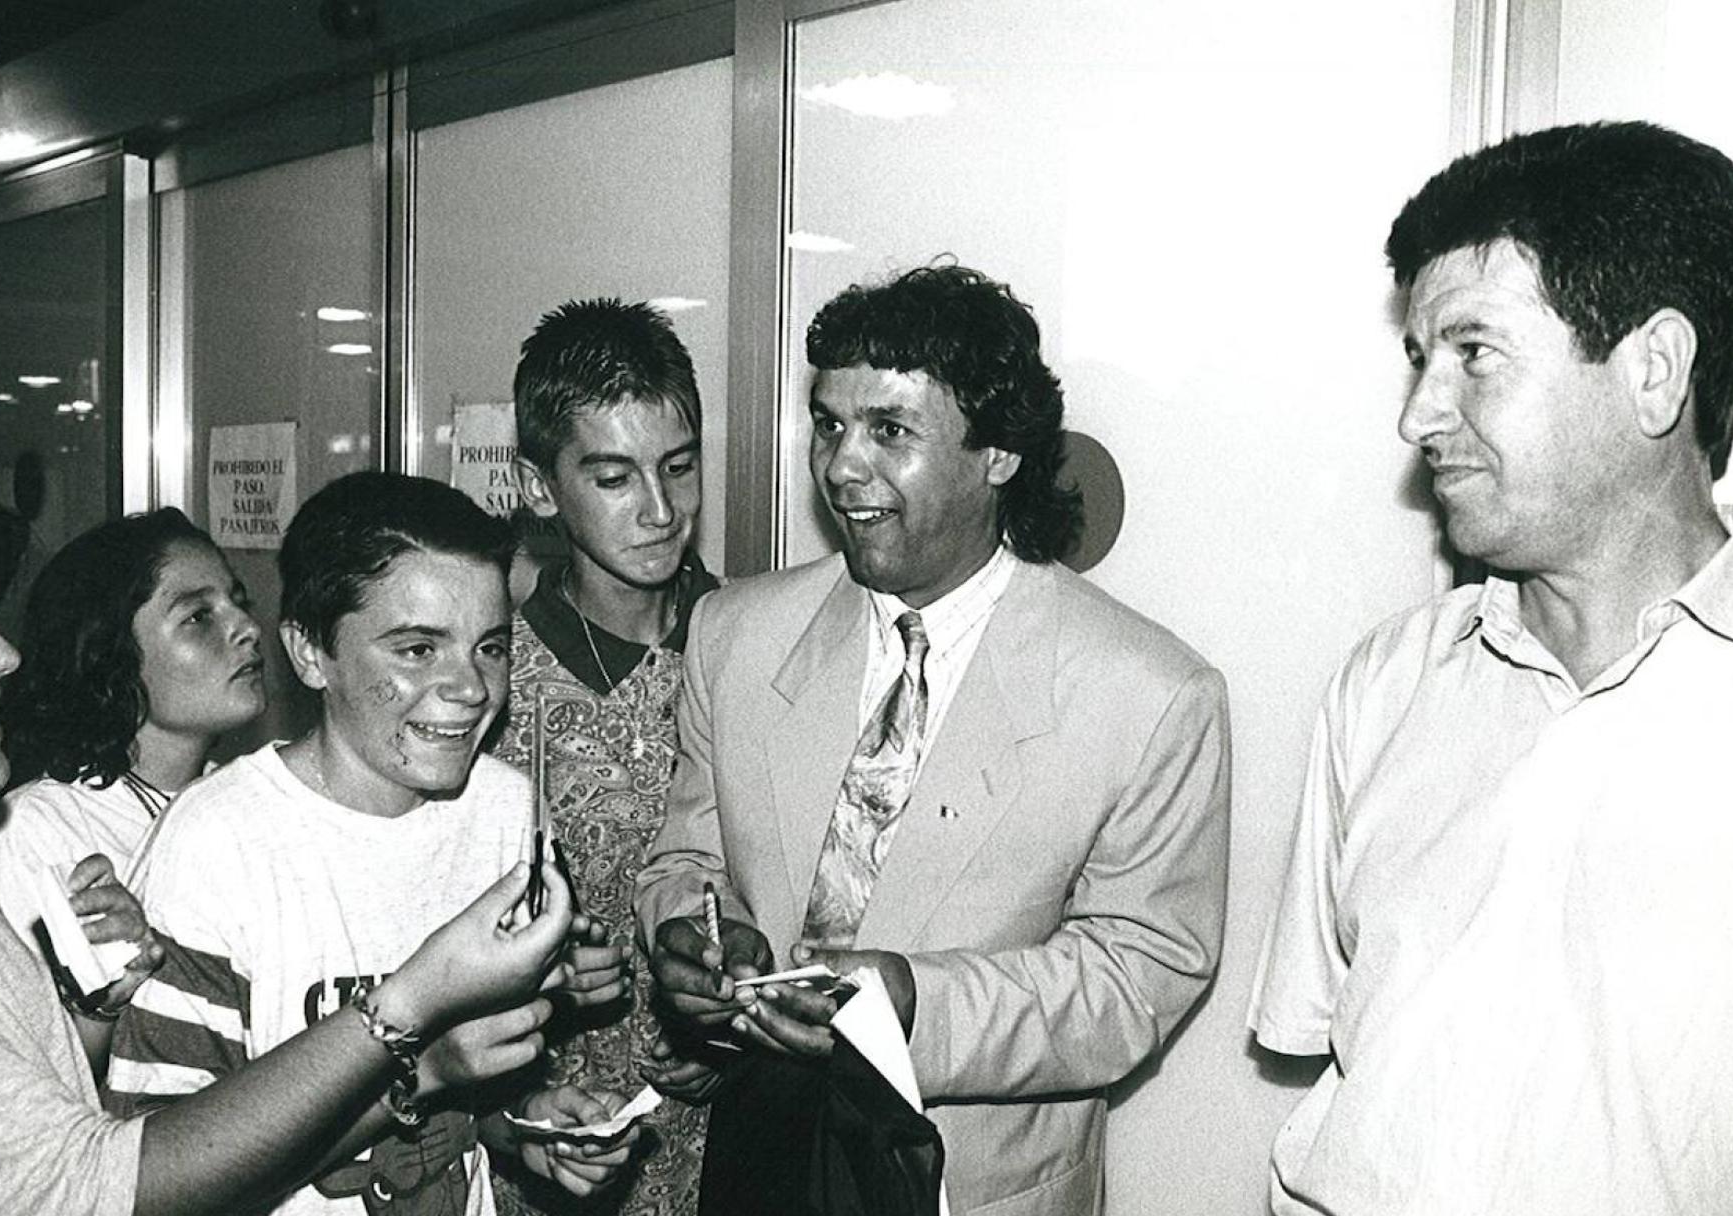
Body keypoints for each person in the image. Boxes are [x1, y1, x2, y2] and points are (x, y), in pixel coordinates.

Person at [1248, 121, 1733, 1214]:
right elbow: (1324, 1050)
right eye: (1419, 360)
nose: (1418, 415)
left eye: (1473, 354)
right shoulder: (1387, 684)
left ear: (1654, 371)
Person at [637, 264, 1232, 1214]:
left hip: (973, 1179)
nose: (841, 466)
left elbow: (1138, 977)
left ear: (997, 453)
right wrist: (693, 934)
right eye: (829, 424)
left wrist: (913, 1000)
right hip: (758, 1151)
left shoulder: (1150, 694)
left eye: (890, 431)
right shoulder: (735, 635)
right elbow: (688, 853)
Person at [0, 465, 574, 1216]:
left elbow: (41, 1122)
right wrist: (409, 1026)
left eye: (490, 647)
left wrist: (91, 1012)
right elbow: (109, 1181)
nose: (3, 654)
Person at [108, 471, 638, 1216]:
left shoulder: (506, 810)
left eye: (490, 647)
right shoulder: (213, 845)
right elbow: (157, 1186)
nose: (471, 688)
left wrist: (524, 1128)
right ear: (308, 652)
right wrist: (422, 1072)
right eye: (418, 650)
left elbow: (467, 1099)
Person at [488, 298, 720, 1216]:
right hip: (536, 1147)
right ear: (542, 486)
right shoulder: (488, 680)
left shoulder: (753, 653)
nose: (661, 511)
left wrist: (723, 1031)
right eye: (615, 477)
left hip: (722, 1150)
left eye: (679, 467)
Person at [0, 510, 264, 1017]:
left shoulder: (250, 801)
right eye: (199, 617)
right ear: (111, 655)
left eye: (238, 603)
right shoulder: (36, 831)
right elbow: (25, 1058)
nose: (246, 628)